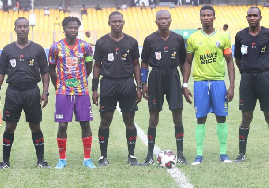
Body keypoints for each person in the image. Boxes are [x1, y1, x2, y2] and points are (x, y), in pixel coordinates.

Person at [0, 17, 50, 169]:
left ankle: (40, 161)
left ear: (29, 29)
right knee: (10, 127)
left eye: (25, 26)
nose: (23, 29)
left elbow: (45, 72)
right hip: (13, 92)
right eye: (20, 26)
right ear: (15, 29)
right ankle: (5, 161)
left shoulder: (37, 49)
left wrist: (45, 92)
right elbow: (0, 71)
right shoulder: (7, 50)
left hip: (32, 92)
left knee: (35, 126)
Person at [182, 5, 235, 165]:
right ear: (200, 18)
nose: (206, 18)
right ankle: (199, 155)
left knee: (221, 117)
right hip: (200, 84)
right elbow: (188, 62)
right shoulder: (193, 38)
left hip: (219, 82)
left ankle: (223, 153)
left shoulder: (224, 37)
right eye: (203, 15)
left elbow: (230, 61)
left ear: (214, 17)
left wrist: (231, 85)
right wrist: (185, 84)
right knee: (201, 118)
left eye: (209, 15)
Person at [233, 7, 269, 163]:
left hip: (265, 78)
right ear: (246, 18)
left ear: (260, 17)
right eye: (250, 15)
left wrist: (266, 72)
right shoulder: (240, 35)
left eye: (255, 15)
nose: (252, 18)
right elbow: (238, 59)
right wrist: (245, 72)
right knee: (246, 117)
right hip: (247, 79)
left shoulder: (268, 34)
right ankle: (241, 154)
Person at [92, 11, 141, 166]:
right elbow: (97, 66)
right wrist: (94, 89)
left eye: (120, 21)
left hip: (127, 83)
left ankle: (131, 156)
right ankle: (103, 156)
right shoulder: (101, 43)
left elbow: (136, 65)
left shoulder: (131, 42)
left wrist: (139, 86)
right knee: (105, 120)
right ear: (109, 23)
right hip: (108, 84)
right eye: (114, 21)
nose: (117, 24)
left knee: (129, 119)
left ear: (123, 22)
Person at [140, 10, 189, 166]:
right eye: (160, 18)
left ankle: (180, 154)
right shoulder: (149, 40)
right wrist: (144, 82)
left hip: (173, 76)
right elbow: (144, 63)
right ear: (156, 22)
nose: (163, 21)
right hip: (156, 77)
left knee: (177, 115)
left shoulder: (178, 39)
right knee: (153, 116)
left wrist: (184, 84)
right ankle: (149, 156)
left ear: (170, 20)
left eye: (165, 18)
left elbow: (183, 63)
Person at [49, 16, 96, 169]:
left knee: (85, 123)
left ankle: (87, 159)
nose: (73, 30)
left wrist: (82, 80)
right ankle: (62, 159)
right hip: (63, 91)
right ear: (64, 29)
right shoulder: (55, 47)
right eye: (70, 27)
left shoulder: (85, 46)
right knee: (62, 125)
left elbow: (89, 66)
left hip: (81, 91)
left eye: (75, 27)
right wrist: (58, 85)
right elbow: (51, 69)